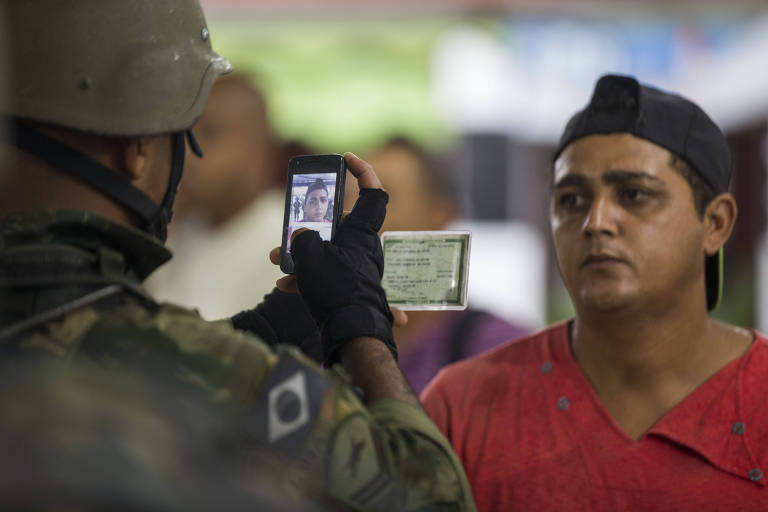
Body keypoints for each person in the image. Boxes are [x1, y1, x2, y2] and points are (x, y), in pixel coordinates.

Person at [0, 1, 475, 510]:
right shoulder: (231, 374)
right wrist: (362, 330)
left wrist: (262, 331)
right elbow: (431, 495)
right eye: (185, 136)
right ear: (138, 150)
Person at [421, 74, 768, 511]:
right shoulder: (463, 406)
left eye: (634, 194)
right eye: (571, 200)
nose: (596, 221)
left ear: (715, 223)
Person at [354, 137, 528, 393]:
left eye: (380, 196)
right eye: (351, 197)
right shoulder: (328, 345)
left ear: (441, 216)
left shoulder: (497, 348)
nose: (355, 214)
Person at [144, 74, 286, 319]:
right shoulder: (179, 231)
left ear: (260, 147)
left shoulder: (286, 242)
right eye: (184, 136)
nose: (187, 154)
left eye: (209, 134)